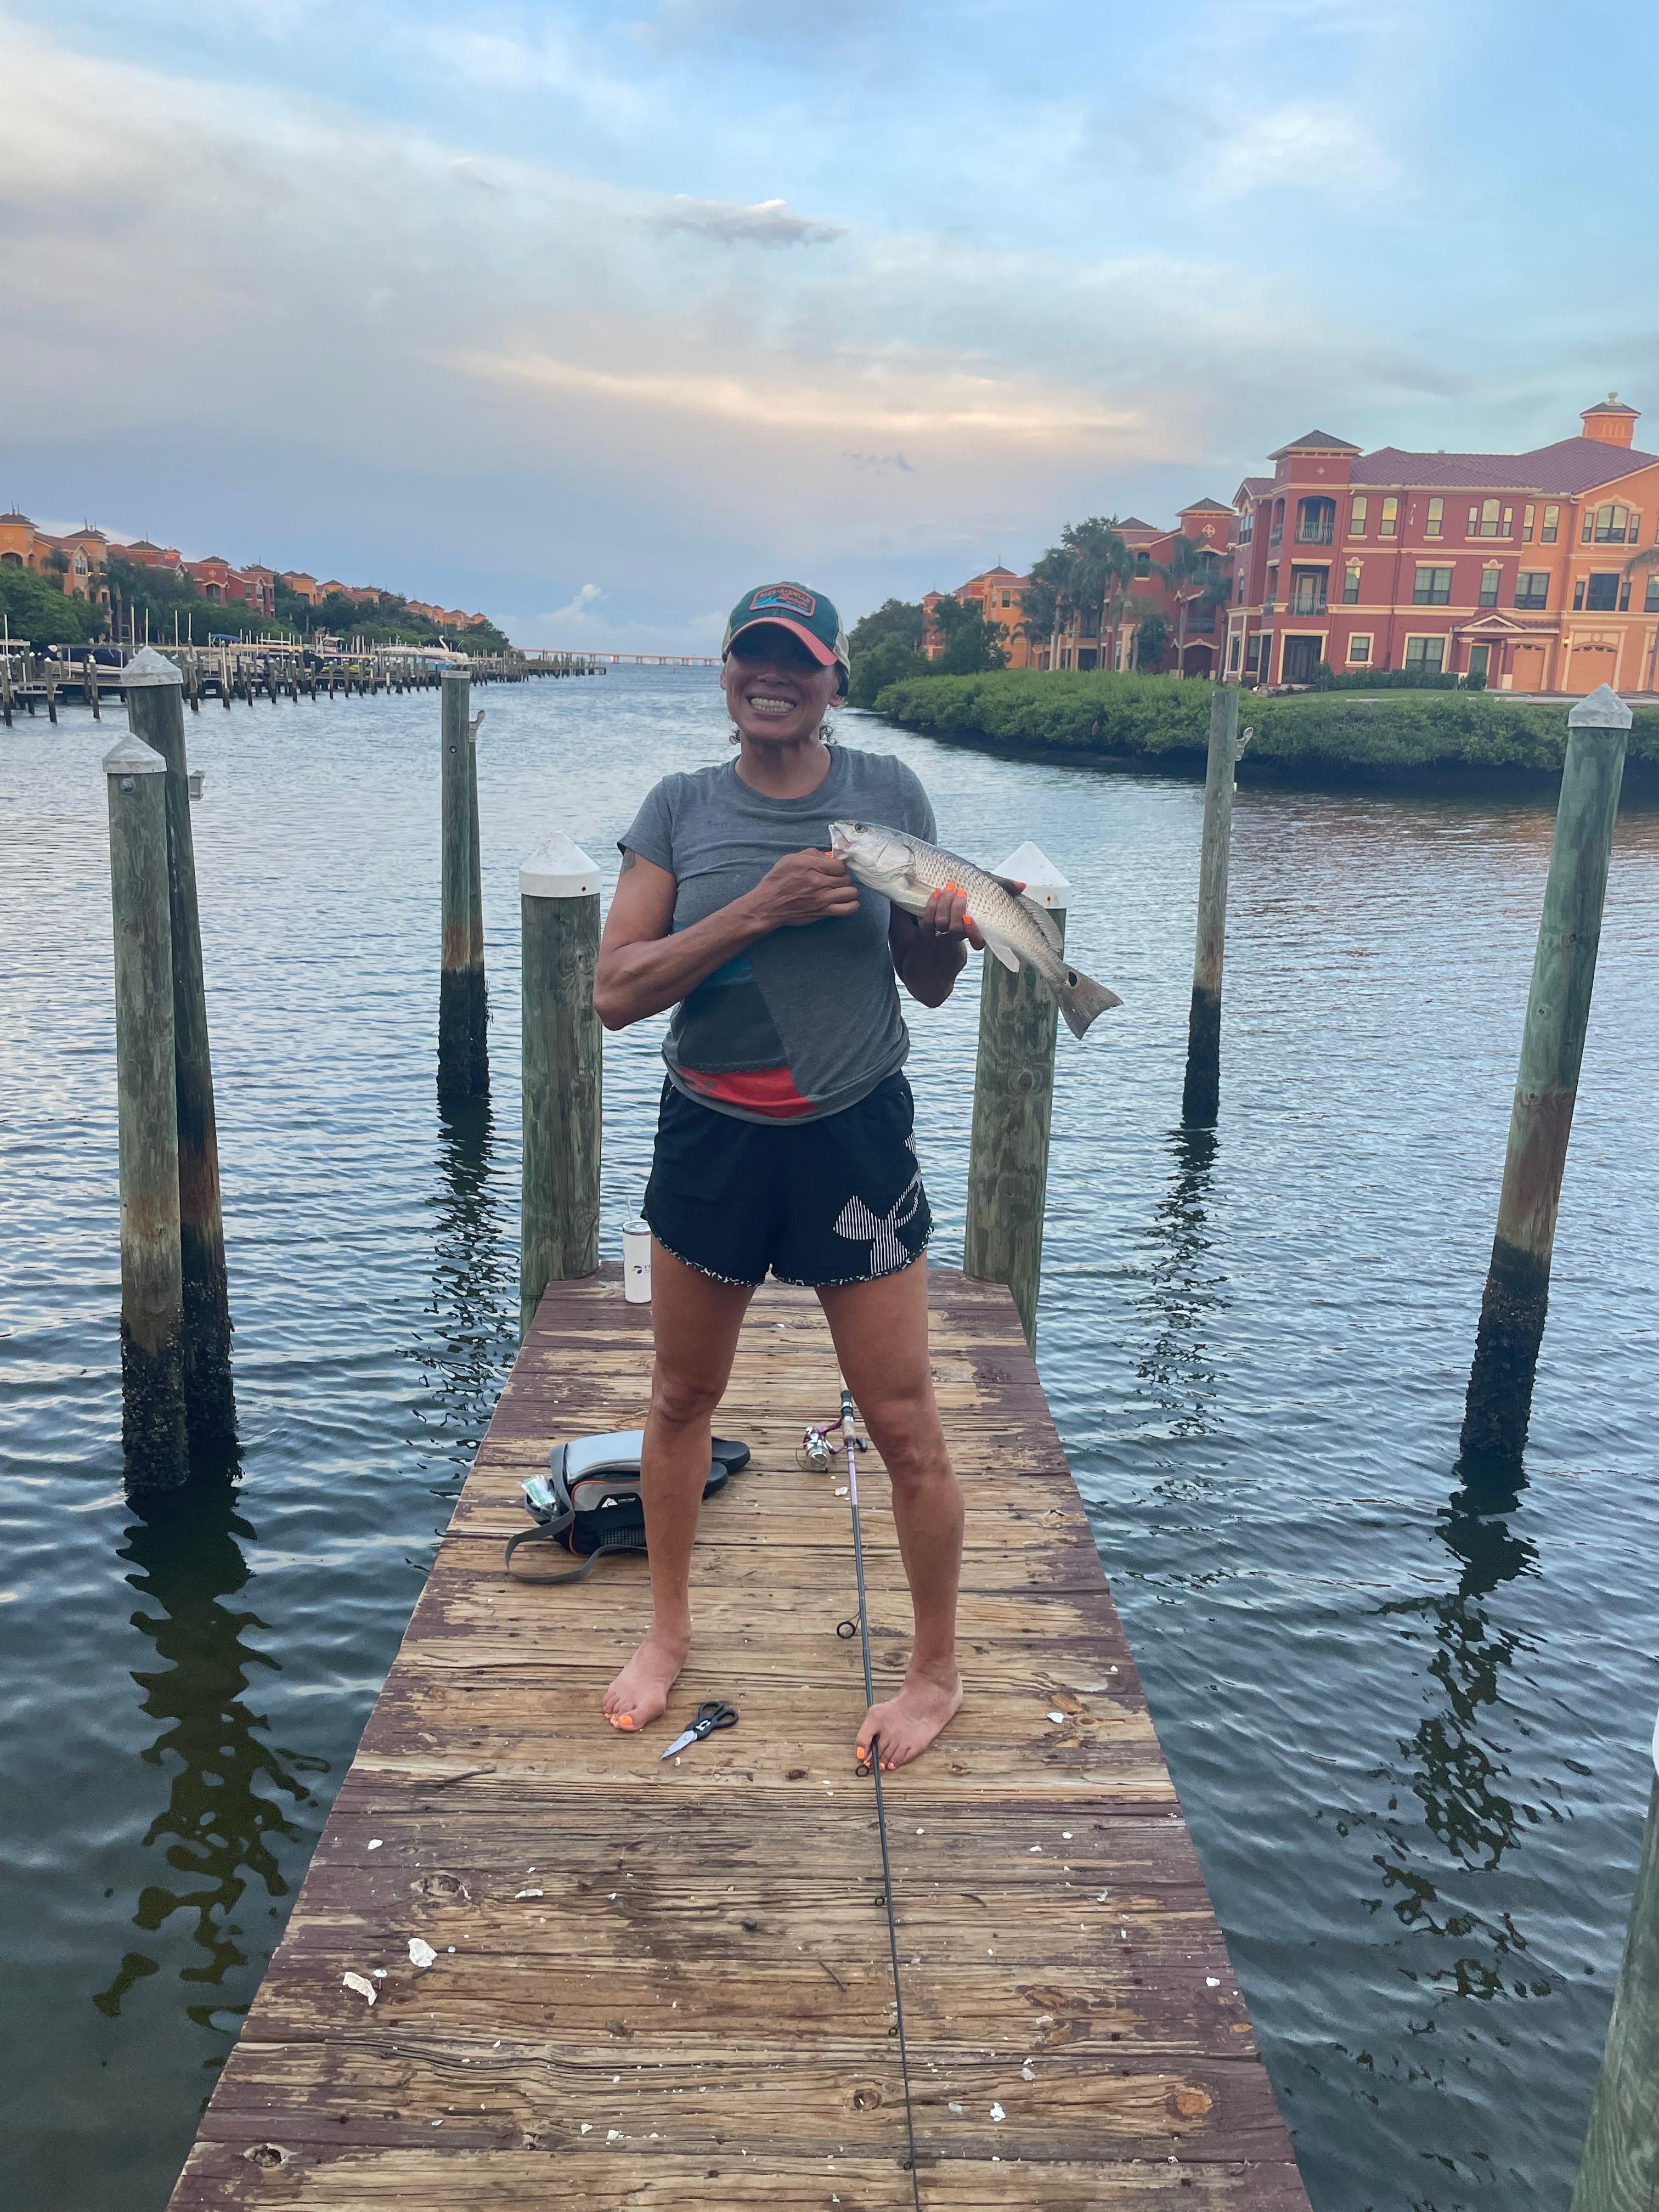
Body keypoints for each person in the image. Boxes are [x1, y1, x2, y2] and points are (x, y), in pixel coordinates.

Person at [594, 580, 991, 1770]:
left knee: (905, 1422)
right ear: (725, 673)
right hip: (711, 1132)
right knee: (677, 1402)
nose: (773, 677)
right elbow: (616, 993)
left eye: (799, 661)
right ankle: (667, 1633)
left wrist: (940, 933)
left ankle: (934, 1671)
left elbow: (924, 987)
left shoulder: (887, 799)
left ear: (833, 680)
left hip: (852, 1134)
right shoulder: (679, 810)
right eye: (751, 657)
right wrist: (760, 910)